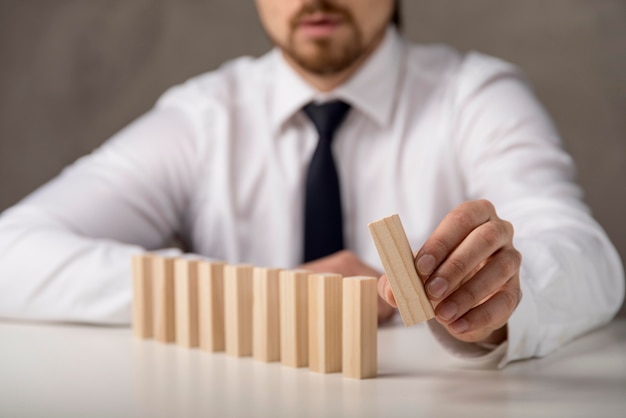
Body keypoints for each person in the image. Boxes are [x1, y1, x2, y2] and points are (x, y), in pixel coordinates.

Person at [0, 0, 623, 367]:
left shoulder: (475, 94)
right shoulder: (203, 116)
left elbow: (588, 256)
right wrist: (255, 297)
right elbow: (10, 253)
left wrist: (506, 303)